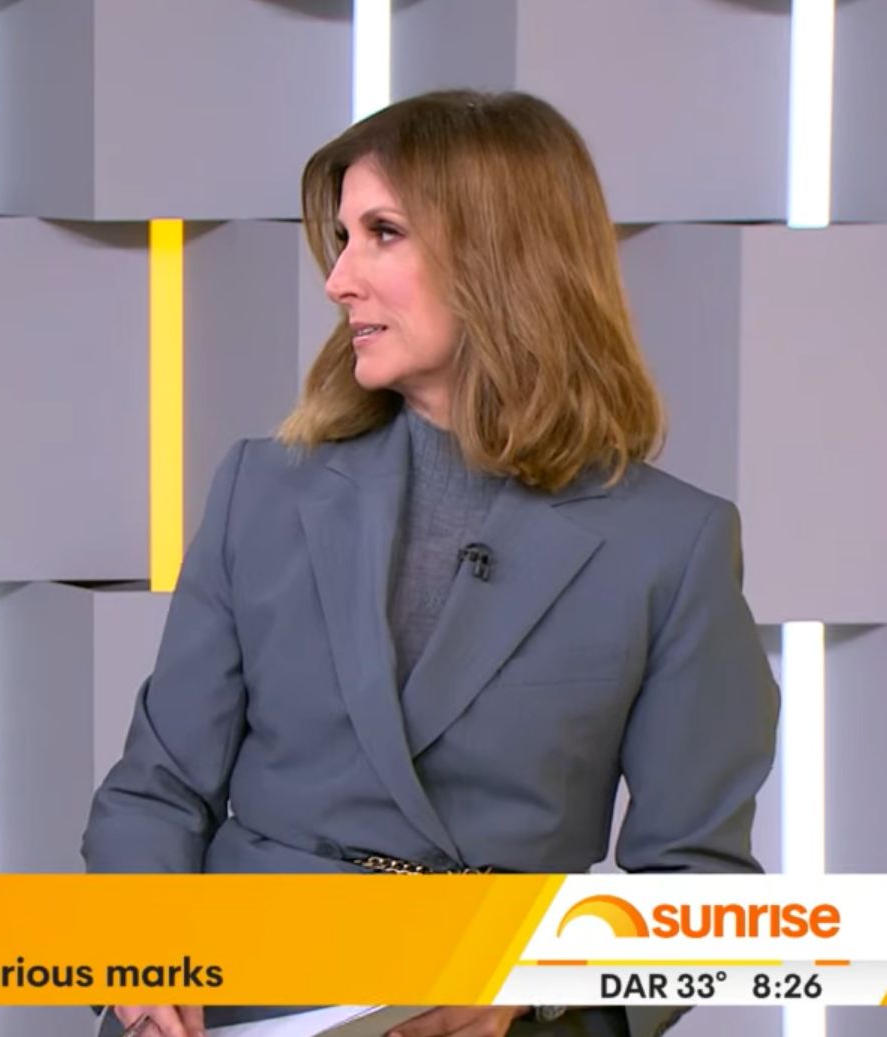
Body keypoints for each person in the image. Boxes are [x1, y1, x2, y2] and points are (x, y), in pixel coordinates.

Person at [83, 90, 778, 1037]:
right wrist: (139, 947)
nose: (339, 280)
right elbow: (155, 788)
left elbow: (697, 888)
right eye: (342, 239)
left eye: (383, 233)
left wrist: (531, 988)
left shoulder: (673, 544)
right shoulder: (264, 488)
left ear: (503, 255)